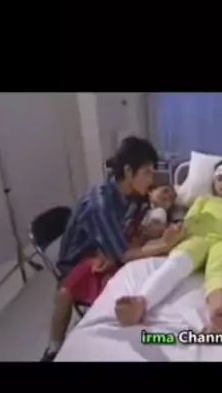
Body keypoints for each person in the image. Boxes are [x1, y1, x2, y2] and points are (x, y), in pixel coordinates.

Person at [40, 138, 181, 362]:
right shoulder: (101, 204)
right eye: (147, 173)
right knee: (123, 300)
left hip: (107, 252)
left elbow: (132, 233)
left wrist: (153, 234)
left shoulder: (132, 194)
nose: (151, 179)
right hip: (81, 261)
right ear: (128, 171)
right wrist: (165, 245)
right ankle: (58, 350)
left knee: (147, 285)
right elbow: (124, 254)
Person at [115, 160, 222, 335]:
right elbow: (188, 221)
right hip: (196, 238)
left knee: (221, 270)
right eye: (220, 179)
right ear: (213, 182)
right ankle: (141, 302)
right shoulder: (203, 199)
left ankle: (219, 312)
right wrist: (176, 232)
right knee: (176, 263)